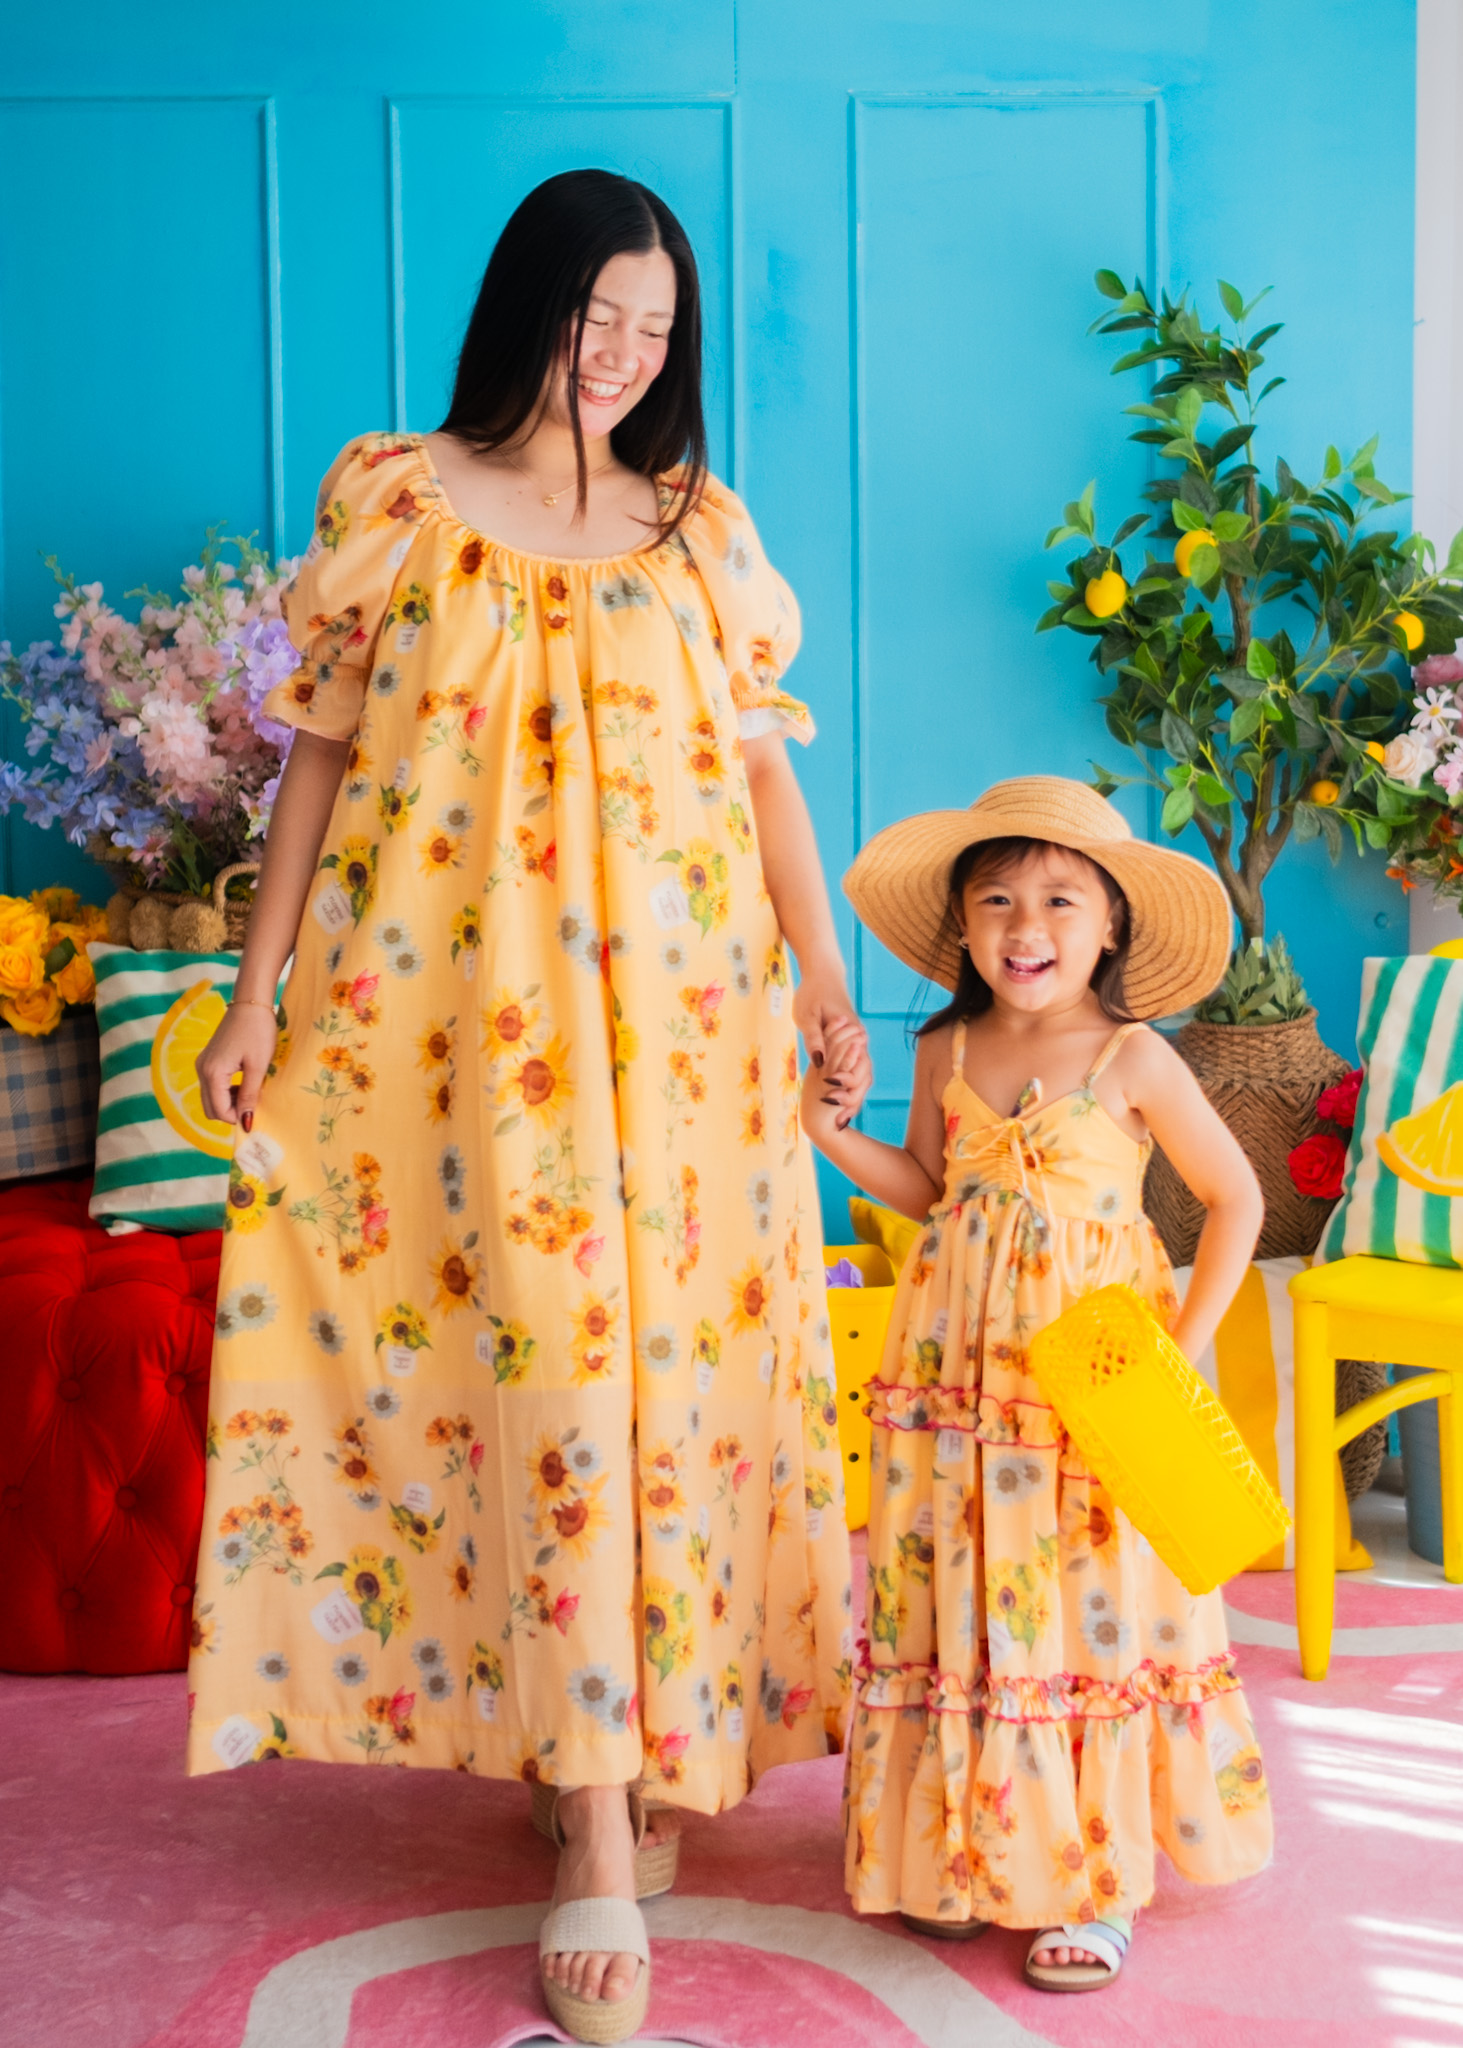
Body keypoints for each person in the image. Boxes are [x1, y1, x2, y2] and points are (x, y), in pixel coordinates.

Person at [189, 168, 866, 2046]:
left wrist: (824, 982)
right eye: (595, 317)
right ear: (526, 305)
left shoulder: (699, 529)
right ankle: (582, 1802)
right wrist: (253, 991)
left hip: (687, 1036)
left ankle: (618, 1757)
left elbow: (760, 777)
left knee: (663, 1392)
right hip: (446, 1034)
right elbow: (318, 759)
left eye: (653, 329)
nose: (623, 355)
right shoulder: (392, 499)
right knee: (531, 1372)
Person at [801, 775, 1272, 1992]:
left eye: (1060, 899)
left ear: (1110, 924)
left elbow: (1233, 1197)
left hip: (1085, 1382)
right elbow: (929, 1189)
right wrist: (832, 1133)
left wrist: (1179, 1345)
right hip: (953, 1383)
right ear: (961, 924)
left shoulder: (1132, 1055)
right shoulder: (945, 1047)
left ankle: (1091, 1877)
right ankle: (964, 1843)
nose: (1025, 925)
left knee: (1084, 1598)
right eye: (996, 899)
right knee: (963, 1588)